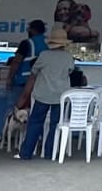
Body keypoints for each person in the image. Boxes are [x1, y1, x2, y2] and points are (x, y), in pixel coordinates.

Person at [16, 25, 75, 160]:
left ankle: (26, 153)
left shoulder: (44, 55)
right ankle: (50, 153)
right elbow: (70, 71)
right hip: (60, 96)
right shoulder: (68, 57)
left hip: (42, 94)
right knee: (55, 125)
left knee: (35, 123)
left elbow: (34, 72)